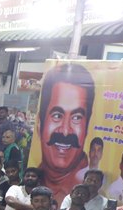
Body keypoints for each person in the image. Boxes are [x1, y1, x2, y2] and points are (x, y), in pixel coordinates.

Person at [36, 63, 95, 199]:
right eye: (57, 116)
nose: (65, 131)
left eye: (76, 118)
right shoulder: (31, 180)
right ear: (39, 124)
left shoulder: (88, 194)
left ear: (86, 128)